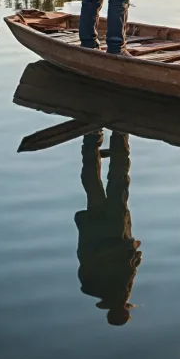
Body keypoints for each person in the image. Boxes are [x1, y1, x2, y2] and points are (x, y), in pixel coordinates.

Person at [75, 130, 142, 325]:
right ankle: (91, 137)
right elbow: (84, 257)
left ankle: (119, 135)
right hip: (94, 228)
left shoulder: (122, 289)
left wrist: (135, 250)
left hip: (114, 228)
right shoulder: (89, 286)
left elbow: (129, 263)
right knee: (92, 182)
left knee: (118, 180)